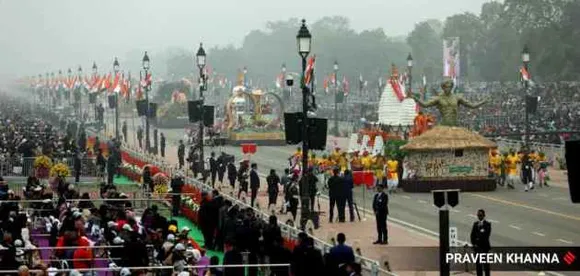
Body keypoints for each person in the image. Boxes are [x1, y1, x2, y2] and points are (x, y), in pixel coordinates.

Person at [470, 209, 491, 276]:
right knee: (478, 266)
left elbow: (486, 235)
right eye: (478, 215)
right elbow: (472, 235)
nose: (479, 216)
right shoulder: (475, 224)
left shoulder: (487, 224)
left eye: (481, 215)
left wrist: (480, 232)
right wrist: (474, 244)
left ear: (484, 215)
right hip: (477, 248)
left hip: (484, 248)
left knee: (486, 266)